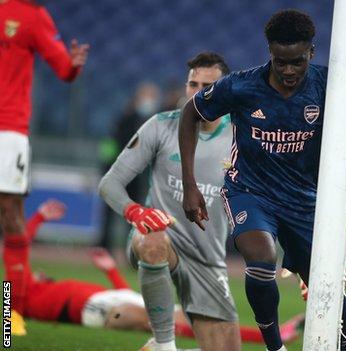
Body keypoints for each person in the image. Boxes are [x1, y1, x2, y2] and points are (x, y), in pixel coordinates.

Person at [179, 9, 346, 351]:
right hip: (249, 191)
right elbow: (191, 113)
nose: (289, 70)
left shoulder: (329, 85)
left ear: (310, 52)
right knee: (262, 259)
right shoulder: (242, 85)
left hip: (304, 200)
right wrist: (190, 185)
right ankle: (275, 347)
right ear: (270, 54)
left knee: (323, 283)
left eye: (297, 61)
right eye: (281, 62)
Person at [1, 200, 303, 346]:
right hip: (97, 311)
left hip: (113, 303)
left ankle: (275, 336)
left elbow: (124, 294)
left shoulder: (37, 288)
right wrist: (38, 218)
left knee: (197, 317)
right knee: (171, 320)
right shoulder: (15, 292)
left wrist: (110, 273)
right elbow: (16, 249)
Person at [99, 52, 241, 351]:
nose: (197, 92)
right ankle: (164, 344)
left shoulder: (241, 136)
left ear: (224, 90)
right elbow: (109, 184)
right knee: (153, 239)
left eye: (207, 85)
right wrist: (136, 212)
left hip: (208, 259)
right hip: (161, 240)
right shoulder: (161, 126)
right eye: (193, 84)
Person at [0, 0, 89, 323]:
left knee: (10, 217)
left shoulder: (34, 16)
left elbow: (64, 70)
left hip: (8, 130)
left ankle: (13, 313)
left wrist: (74, 64)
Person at [98, 81, 162, 252]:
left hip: (138, 177)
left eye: (152, 97)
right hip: (119, 171)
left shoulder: (154, 122)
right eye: (147, 96)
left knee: (135, 213)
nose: (149, 101)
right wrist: (106, 169)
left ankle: (131, 249)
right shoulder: (125, 119)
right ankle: (104, 247)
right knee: (111, 211)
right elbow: (111, 146)